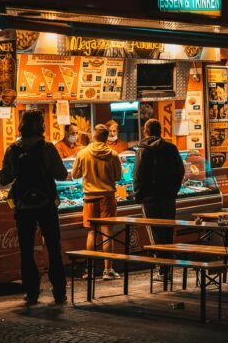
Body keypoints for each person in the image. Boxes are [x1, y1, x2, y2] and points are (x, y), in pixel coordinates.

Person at [0, 108, 69, 306]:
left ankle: (31, 292)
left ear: (22, 125)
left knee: (27, 249)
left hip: (23, 206)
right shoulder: (47, 148)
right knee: (54, 247)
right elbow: (61, 174)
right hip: (47, 204)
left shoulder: (13, 149)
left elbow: (4, 178)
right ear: (41, 126)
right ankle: (59, 291)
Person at [72, 123, 123, 280]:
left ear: (94, 136)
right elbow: (118, 177)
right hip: (107, 197)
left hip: (89, 198)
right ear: (106, 137)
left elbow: (74, 174)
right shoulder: (113, 154)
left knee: (92, 232)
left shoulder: (83, 153)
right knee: (107, 232)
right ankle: (108, 271)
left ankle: (90, 270)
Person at [133, 119, 185, 273]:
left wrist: (138, 195)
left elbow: (138, 175)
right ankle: (167, 264)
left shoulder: (142, 150)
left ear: (146, 131)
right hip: (168, 198)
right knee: (168, 231)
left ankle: (161, 265)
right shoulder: (171, 148)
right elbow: (180, 170)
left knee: (155, 231)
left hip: (149, 199)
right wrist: (174, 190)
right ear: (160, 131)